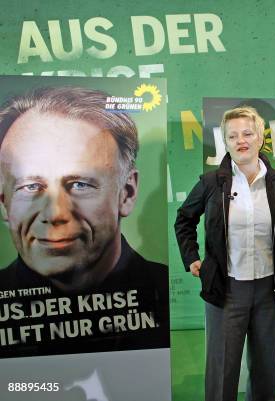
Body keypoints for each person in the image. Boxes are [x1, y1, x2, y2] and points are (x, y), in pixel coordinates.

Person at [0, 86, 169, 356]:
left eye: (79, 184)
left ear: (127, 193)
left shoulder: (164, 294)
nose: (55, 214)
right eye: (31, 187)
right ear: (4, 203)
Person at [174, 106, 275, 401]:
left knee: (265, 369)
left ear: (261, 137)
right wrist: (191, 257)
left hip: (269, 290)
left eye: (247, 133)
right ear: (225, 142)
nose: (241, 140)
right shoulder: (212, 183)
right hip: (226, 289)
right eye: (232, 136)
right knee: (222, 370)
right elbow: (184, 219)